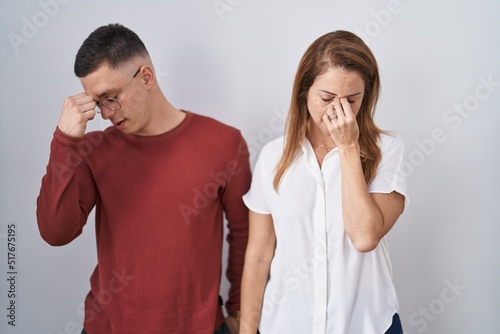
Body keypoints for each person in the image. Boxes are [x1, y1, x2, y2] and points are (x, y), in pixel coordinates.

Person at [36, 23, 251, 334]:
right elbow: (55, 232)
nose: (107, 114)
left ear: (146, 77)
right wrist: (65, 140)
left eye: (111, 97)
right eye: (97, 103)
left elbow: (245, 233)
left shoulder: (224, 143)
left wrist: (239, 312)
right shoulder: (94, 150)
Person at [239, 30, 408, 334]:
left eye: (352, 100)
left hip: (365, 324)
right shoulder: (272, 157)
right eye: (327, 98)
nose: (338, 111)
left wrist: (348, 148)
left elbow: (364, 237)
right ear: (305, 93)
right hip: (287, 325)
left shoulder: (387, 151)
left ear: (365, 98)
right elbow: (259, 255)